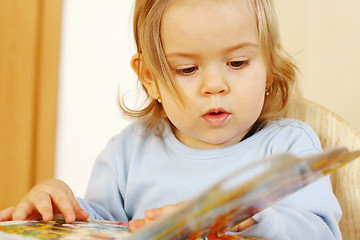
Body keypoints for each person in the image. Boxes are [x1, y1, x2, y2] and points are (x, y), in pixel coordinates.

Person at [0, 0, 342, 239]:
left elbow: (323, 233)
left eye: (237, 63)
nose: (215, 86)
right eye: (188, 69)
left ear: (269, 65)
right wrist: (61, 210)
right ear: (150, 78)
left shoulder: (289, 147)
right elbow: (103, 225)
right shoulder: (128, 153)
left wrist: (249, 217)